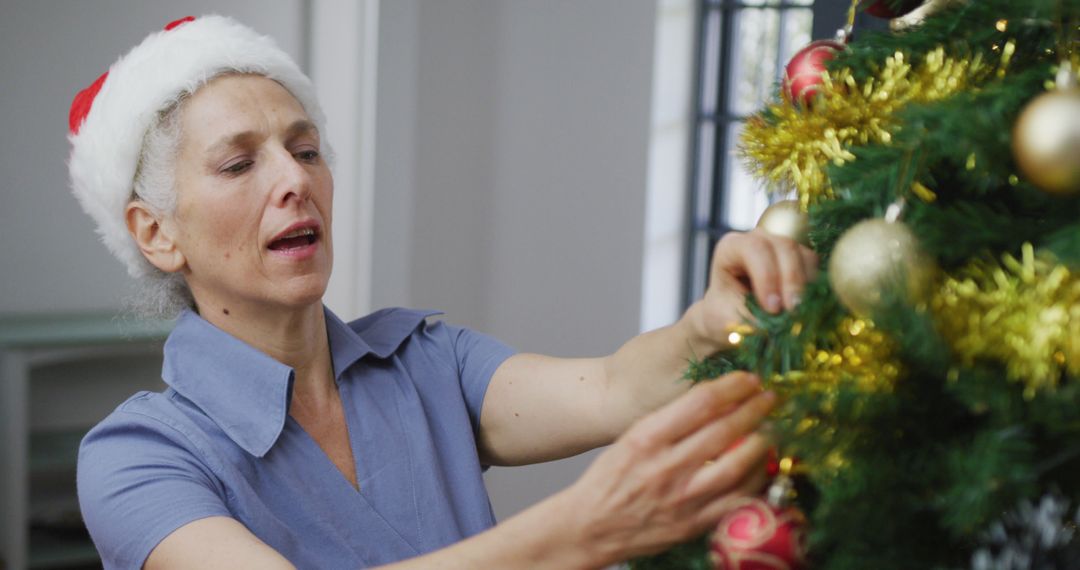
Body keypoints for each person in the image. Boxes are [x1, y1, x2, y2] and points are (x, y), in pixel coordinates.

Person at [68, 15, 818, 570]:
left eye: (304, 150)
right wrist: (585, 529)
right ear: (156, 233)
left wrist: (708, 326)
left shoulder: (424, 360)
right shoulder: (137, 458)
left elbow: (614, 387)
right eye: (239, 165)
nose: (296, 180)